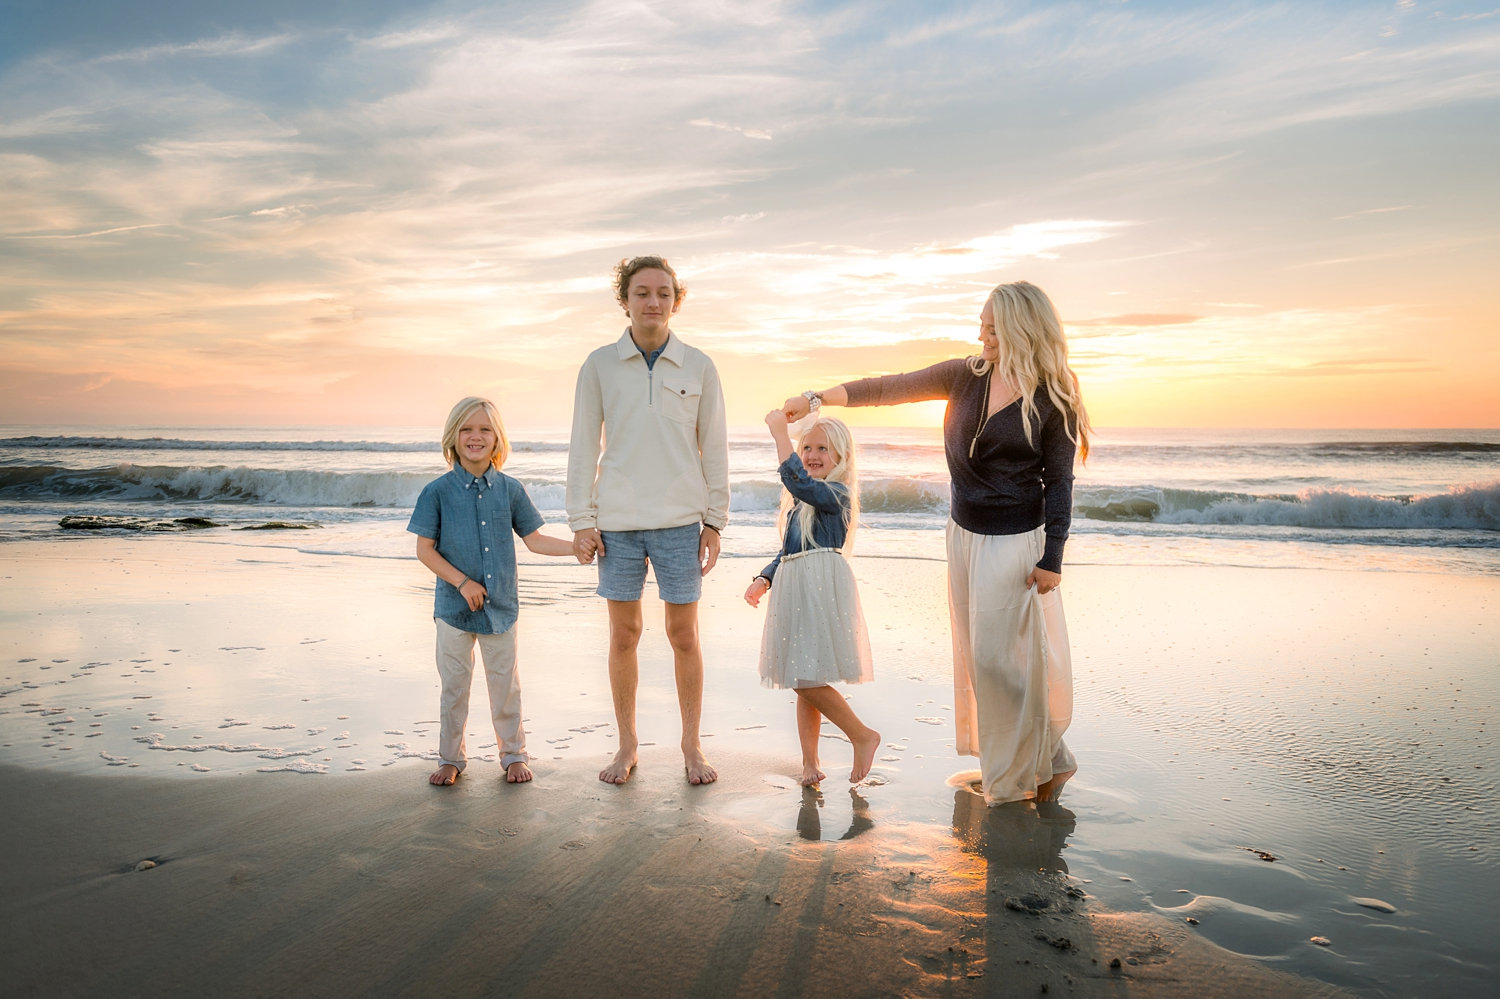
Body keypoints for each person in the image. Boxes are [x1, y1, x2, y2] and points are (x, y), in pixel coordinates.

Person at [780, 280, 1088, 806]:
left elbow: (1059, 482)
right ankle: (1052, 764)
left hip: (1016, 541)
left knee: (998, 660)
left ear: (1021, 328)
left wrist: (1052, 554)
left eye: (992, 327)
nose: (982, 334)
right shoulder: (965, 375)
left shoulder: (1053, 397)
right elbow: (891, 387)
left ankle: (1012, 783)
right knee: (980, 658)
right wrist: (817, 397)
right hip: (962, 534)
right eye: (982, 324)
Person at [566, 256, 730, 786]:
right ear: (626, 300)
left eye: (663, 292)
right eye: (642, 293)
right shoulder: (599, 365)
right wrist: (581, 519)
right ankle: (628, 745)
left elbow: (716, 449)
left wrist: (715, 521)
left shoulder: (699, 365)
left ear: (675, 300)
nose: (653, 302)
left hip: (682, 521)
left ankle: (691, 745)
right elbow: (583, 444)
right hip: (617, 522)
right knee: (624, 636)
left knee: (684, 636)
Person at [408, 396, 576, 787]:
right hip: (452, 608)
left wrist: (578, 548)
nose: (475, 437)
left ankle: (513, 754)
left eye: (484, 429)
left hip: (500, 608)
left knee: (505, 685)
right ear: (453, 436)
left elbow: (534, 540)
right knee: (454, 687)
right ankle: (451, 758)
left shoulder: (511, 490)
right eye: (467, 429)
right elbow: (424, 550)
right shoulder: (437, 492)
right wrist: (463, 583)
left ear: (497, 438)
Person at [745, 413, 880, 786]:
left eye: (823, 448)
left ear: (842, 457)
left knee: (803, 677)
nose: (812, 453)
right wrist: (764, 578)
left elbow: (801, 483)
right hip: (794, 585)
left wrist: (779, 436)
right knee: (805, 676)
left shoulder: (835, 495)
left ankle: (862, 734)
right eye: (806, 447)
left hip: (818, 587)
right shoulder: (797, 505)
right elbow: (787, 551)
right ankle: (810, 763)